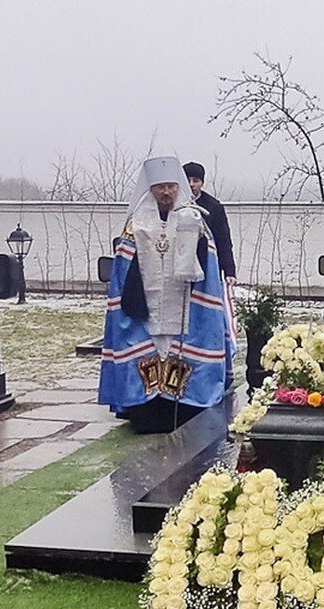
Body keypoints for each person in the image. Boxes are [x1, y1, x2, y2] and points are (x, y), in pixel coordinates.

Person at [99, 156, 235, 433]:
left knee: (178, 353)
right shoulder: (136, 223)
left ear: (178, 188)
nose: (166, 192)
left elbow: (208, 261)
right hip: (145, 305)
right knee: (148, 351)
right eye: (160, 187)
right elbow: (123, 269)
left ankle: (183, 406)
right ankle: (145, 410)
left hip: (185, 302)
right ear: (150, 189)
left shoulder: (192, 218)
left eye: (171, 187)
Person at [181, 162, 237, 285]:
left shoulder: (214, 207)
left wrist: (229, 271)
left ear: (202, 183)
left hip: (206, 262)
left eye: (195, 181)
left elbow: (223, 240)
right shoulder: (172, 204)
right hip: (179, 264)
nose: (191, 185)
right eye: (187, 180)